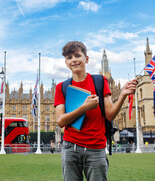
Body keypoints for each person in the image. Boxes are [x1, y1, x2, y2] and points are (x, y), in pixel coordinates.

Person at [54, 41, 137, 181]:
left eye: (77, 55)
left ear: (86, 59)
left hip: (96, 148)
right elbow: (61, 121)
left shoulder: (100, 81)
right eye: (69, 57)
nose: (74, 60)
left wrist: (123, 95)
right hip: (70, 148)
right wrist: (84, 108)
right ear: (66, 63)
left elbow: (109, 115)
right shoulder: (62, 87)